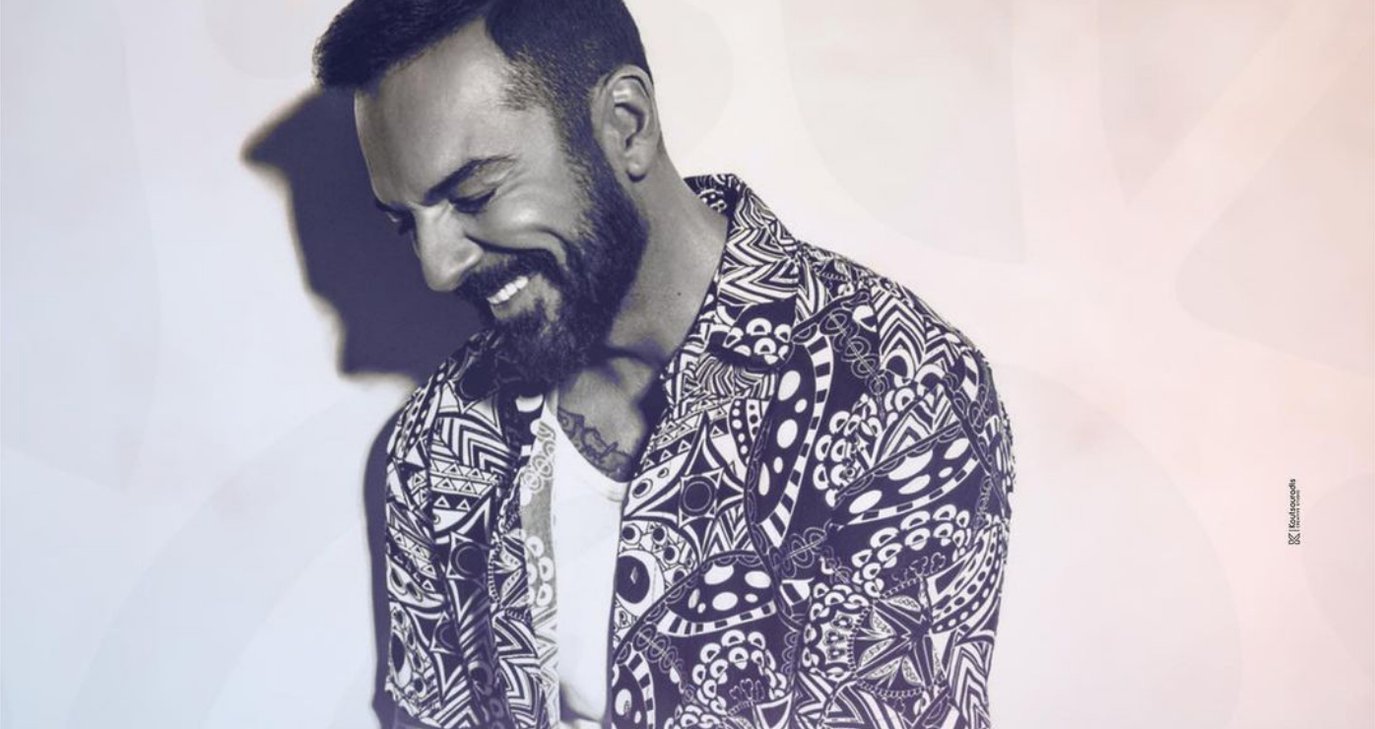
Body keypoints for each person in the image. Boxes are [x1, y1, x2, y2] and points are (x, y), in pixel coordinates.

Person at [314, 1, 1016, 727]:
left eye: (474, 195)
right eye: (406, 224)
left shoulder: (900, 394)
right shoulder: (442, 436)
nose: (437, 268)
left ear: (626, 124)